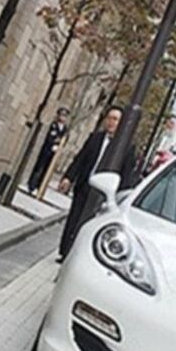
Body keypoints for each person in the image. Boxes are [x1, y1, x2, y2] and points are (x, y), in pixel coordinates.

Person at [57, 106, 122, 260]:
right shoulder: (95, 138)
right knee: (73, 219)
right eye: (109, 118)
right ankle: (65, 252)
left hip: (102, 195)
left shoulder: (123, 147)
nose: (111, 122)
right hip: (84, 186)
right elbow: (80, 159)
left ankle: (78, 255)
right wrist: (68, 178)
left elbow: (125, 176)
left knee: (88, 225)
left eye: (115, 119)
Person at [27, 107, 69, 195]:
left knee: (47, 170)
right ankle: (32, 186)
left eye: (65, 116)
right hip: (47, 151)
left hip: (55, 154)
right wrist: (54, 144)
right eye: (61, 115)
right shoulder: (53, 125)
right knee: (40, 168)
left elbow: (65, 139)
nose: (63, 117)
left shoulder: (65, 129)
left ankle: (40, 187)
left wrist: (60, 147)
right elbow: (51, 137)